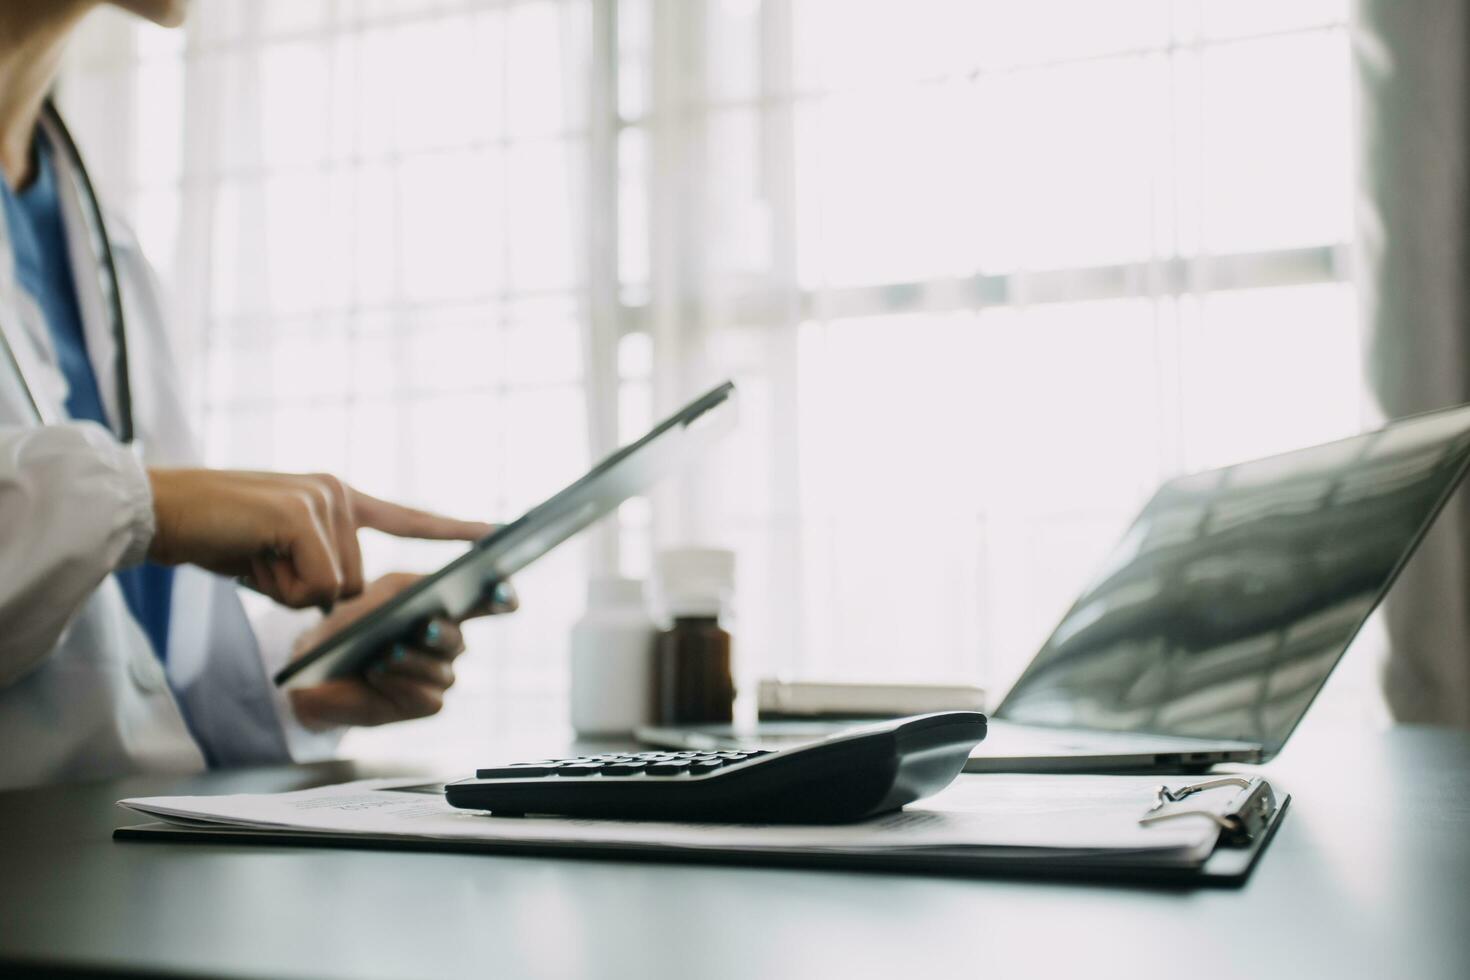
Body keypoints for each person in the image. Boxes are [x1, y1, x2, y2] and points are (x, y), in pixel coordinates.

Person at [0, 0, 516, 789]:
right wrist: (145, 504)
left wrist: (298, 685)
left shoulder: (107, 246)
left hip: (110, 867)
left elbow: (125, 675)